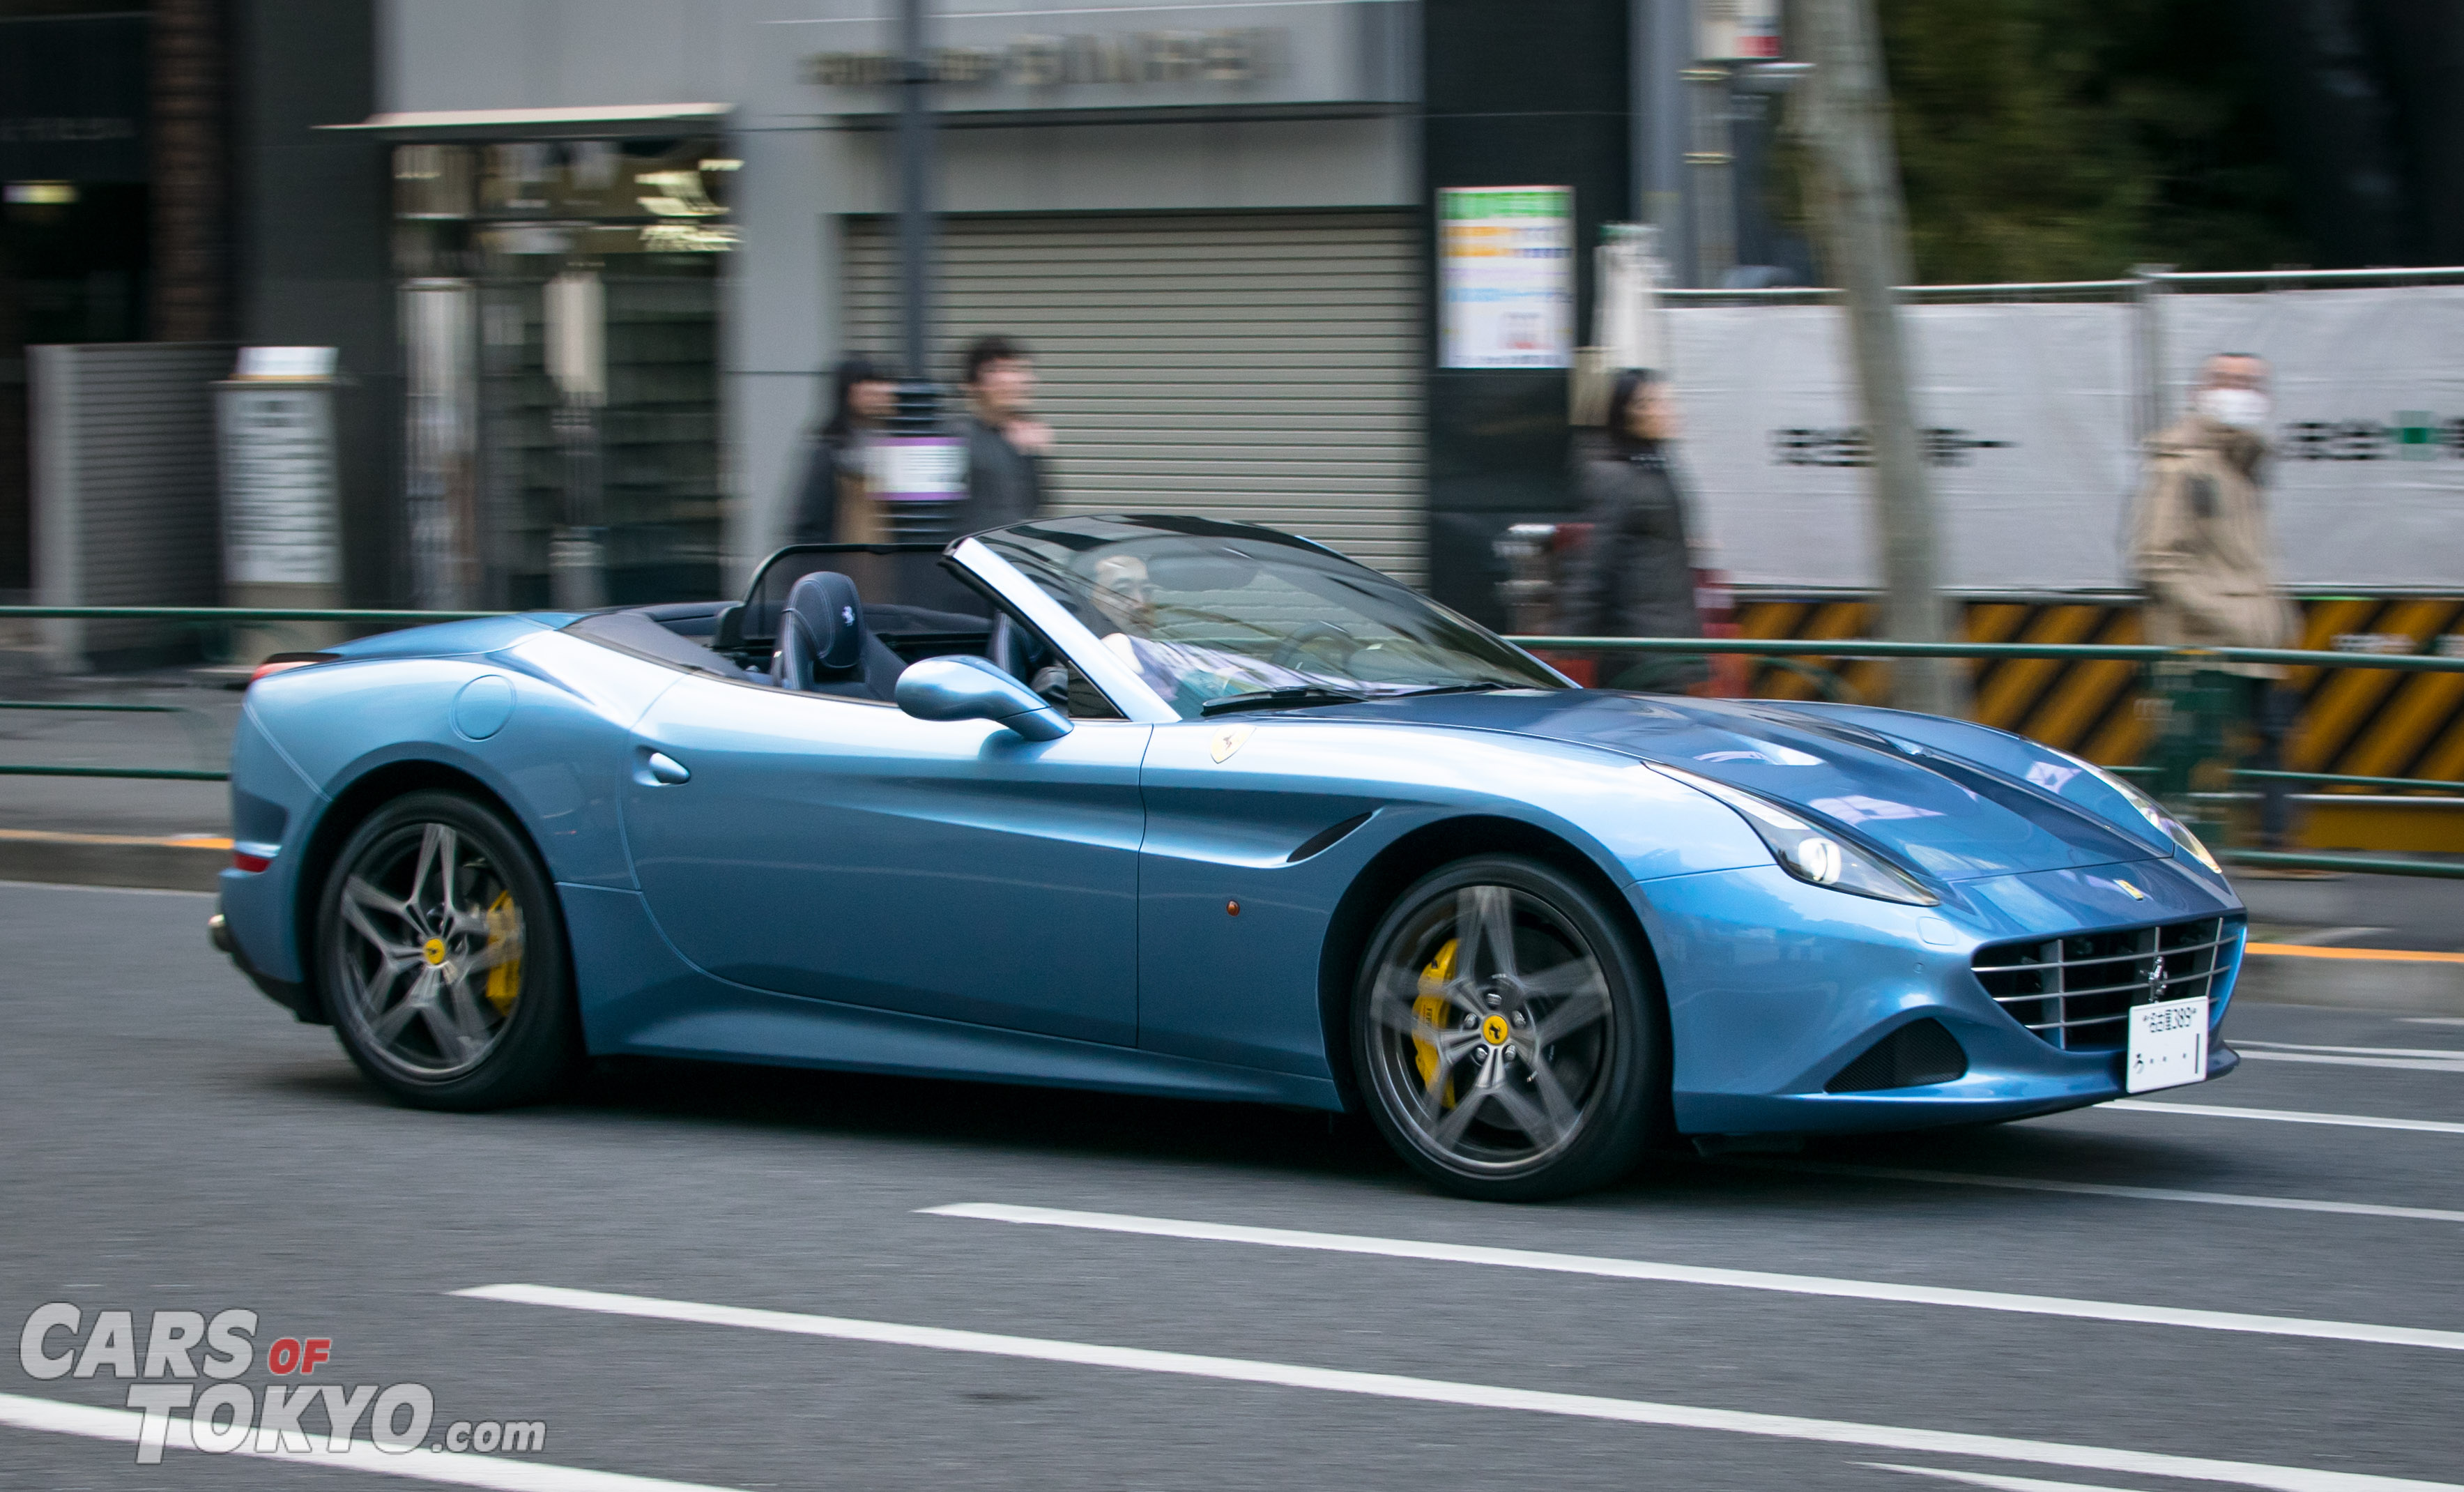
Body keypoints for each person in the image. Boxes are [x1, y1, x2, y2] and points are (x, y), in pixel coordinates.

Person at [2130, 351, 2303, 857]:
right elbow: (2155, 558)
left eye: (2249, 382)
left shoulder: (2242, 461)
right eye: (2226, 380)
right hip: (2204, 645)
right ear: (2198, 391)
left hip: (2253, 645)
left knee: (2267, 742)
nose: (2238, 392)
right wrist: (2231, 616)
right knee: (2189, 759)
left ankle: (2272, 848)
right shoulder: (2186, 465)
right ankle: (2165, 856)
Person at [1561, 368, 1709, 693]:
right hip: (1641, 652)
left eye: (1668, 401)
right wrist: (1568, 642)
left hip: (1671, 644)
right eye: (1654, 402)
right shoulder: (1616, 477)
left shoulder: (1656, 467)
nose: (1669, 410)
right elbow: (1594, 562)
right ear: (1629, 413)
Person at [948, 335, 1052, 535]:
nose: (1011, 380)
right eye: (997, 370)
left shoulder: (1024, 438)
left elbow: (1034, 509)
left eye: (1017, 370)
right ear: (973, 384)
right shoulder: (956, 437)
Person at [788, 356, 895, 545]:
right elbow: (810, 522)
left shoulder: (901, 444)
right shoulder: (831, 449)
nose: (879, 391)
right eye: (867, 383)